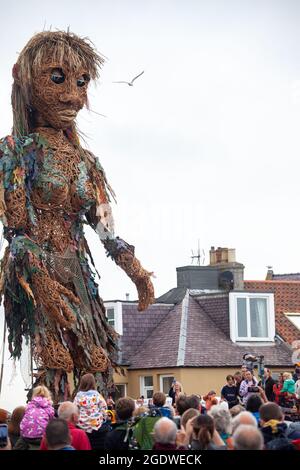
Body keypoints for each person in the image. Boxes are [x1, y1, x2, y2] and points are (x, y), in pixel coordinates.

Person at [0, 30, 154, 400]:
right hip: (37, 272)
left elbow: (105, 229)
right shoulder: (16, 153)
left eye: (81, 82)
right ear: (25, 77)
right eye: (58, 78)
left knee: (98, 359)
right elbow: (16, 234)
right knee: (58, 362)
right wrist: (41, 284)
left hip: (77, 273)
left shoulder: (87, 163)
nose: (73, 95)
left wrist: (137, 272)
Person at [74, 373, 108, 449]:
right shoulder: (97, 395)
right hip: (96, 426)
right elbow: (104, 408)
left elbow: (75, 410)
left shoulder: (78, 396)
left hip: (82, 426)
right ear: (93, 383)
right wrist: (103, 419)